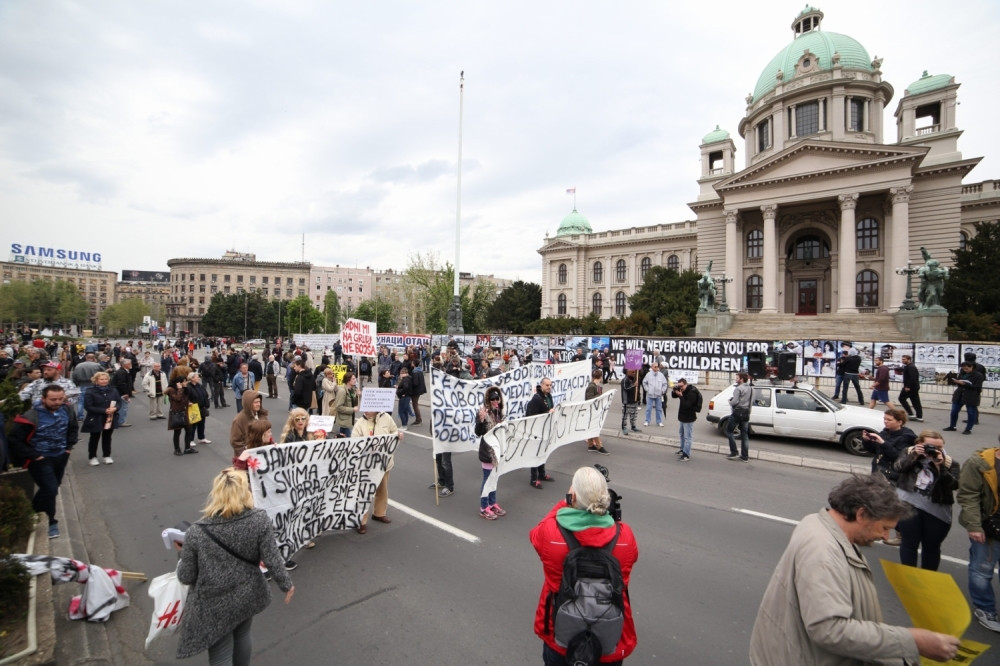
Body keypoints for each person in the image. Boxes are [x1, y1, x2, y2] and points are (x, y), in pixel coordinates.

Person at [749, 474, 959, 664]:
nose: (885, 537)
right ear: (861, 514)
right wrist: (913, 641)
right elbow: (829, 630)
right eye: (885, 528)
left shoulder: (818, 522)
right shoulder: (823, 554)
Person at [175, 468, 294, 664]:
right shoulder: (259, 519)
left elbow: (186, 576)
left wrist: (182, 551)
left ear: (216, 494)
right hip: (248, 594)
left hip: (214, 604)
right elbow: (272, 558)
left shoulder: (196, 532)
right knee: (242, 635)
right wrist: (286, 584)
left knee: (221, 650)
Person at [530, 466, 638, 665]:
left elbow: (535, 534)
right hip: (610, 640)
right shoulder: (625, 537)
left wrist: (563, 504)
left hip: (560, 635)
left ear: (572, 497)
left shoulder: (551, 533)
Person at [8, 385, 78, 539]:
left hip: (61, 455)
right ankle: (51, 520)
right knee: (51, 488)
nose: (57, 402)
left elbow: (73, 428)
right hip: (40, 459)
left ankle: (33, 512)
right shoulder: (30, 417)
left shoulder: (67, 410)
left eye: (60, 399)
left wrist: (68, 448)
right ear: (43, 399)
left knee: (52, 488)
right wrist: (34, 455)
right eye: (53, 399)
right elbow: (14, 440)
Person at [893, 430, 959, 571]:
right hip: (909, 505)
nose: (934, 450)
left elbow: (954, 485)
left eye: (939, 447)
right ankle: (908, 574)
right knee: (909, 543)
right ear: (919, 444)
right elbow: (898, 468)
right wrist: (915, 455)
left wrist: (939, 466)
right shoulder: (909, 453)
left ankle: (928, 576)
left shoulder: (949, 462)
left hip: (937, 509)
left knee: (932, 546)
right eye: (930, 446)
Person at [957, 442, 1000, 632]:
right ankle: (985, 608)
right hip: (989, 527)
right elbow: (968, 495)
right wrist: (974, 526)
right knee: (982, 570)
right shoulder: (978, 463)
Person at [352, 408, 402, 533]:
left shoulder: (386, 418)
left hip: (384, 463)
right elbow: (354, 443)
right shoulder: (360, 423)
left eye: (369, 408)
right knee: (364, 493)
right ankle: (361, 521)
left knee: (382, 489)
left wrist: (398, 435)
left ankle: (379, 513)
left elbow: (394, 432)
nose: (365, 410)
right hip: (366, 466)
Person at [475, 386, 507, 520]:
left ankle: (492, 503)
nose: (495, 401)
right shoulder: (484, 412)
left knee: (494, 478)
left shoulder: (500, 412)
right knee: (487, 478)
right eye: (492, 399)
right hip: (488, 451)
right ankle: (484, 507)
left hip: (498, 450)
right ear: (488, 400)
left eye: (497, 398)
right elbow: (478, 432)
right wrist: (481, 420)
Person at [81, 371, 121, 466]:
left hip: (109, 417)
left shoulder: (113, 390)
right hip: (96, 417)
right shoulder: (90, 391)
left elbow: (119, 402)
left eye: (105, 379)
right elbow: (88, 406)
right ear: (96, 380)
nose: (104, 381)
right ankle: (92, 457)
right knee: (95, 437)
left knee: (107, 437)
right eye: (101, 379)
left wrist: (115, 408)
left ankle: (107, 455)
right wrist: (104, 411)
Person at [527, 377, 556, 489]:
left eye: (550, 385)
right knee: (535, 454)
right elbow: (531, 416)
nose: (549, 387)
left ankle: (542, 474)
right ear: (542, 385)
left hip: (545, 430)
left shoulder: (548, 396)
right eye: (547, 385)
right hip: (536, 431)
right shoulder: (536, 398)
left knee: (542, 452)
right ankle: (534, 479)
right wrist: (547, 412)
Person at [230, 390, 267, 471]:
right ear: (248, 403)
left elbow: (267, 433)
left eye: (259, 402)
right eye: (255, 402)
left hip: (262, 455)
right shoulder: (239, 420)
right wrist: (247, 453)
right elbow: (235, 441)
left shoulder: (262, 415)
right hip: (248, 459)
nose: (258, 404)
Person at [945, 361, 984, 435]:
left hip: (971, 395)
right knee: (954, 411)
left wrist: (965, 384)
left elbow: (977, 387)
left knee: (971, 413)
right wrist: (956, 381)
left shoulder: (978, 375)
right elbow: (959, 382)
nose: (964, 369)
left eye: (966, 368)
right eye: (963, 368)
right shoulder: (962, 373)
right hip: (959, 394)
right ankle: (952, 426)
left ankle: (968, 429)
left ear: (971, 367)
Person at [671, 378, 700, 462]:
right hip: (682, 416)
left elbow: (687, 405)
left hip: (689, 417)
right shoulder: (682, 390)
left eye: (681, 386)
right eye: (679, 386)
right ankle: (682, 449)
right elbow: (673, 396)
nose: (680, 388)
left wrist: (681, 396)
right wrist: (674, 391)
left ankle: (686, 454)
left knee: (688, 437)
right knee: (681, 434)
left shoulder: (692, 392)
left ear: (685, 384)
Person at [166, 376, 197, 456]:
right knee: (177, 431)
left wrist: (188, 402)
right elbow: (178, 399)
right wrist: (180, 389)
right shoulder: (171, 390)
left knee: (188, 430)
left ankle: (187, 448)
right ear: (178, 383)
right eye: (184, 381)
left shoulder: (184, 389)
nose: (186, 383)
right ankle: (177, 449)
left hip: (185, 411)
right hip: (177, 412)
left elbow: (185, 398)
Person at [726, 372, 752, 462]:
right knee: (745, 435)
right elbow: (751, 402)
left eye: (737, 378)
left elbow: (734, 402)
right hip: (746, 413)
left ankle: (734, 452)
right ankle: (745, 456)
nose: (736, 379)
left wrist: (730, 401)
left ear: (741, 379)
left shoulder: (738, 389)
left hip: (737, 412)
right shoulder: (751, 388)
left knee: (729, 431)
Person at [584, 369, 609, 455]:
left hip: (592, 410)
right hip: (591, 411)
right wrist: (600, 395)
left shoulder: (593, 386)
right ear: (600, 377)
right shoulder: (592, 386)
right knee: (595, 428)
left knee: (592, 428)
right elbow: (589, 398)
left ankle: (591, 445)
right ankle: (599, 446)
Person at [187, 372, 212, 445]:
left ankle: (201, 438)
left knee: (202, 423)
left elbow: (205, 394)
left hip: (202, 407)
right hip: (194, 408)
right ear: (192, 379)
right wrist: (188, 402)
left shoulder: (200, 386)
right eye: (197, 377)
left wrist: (206, 402)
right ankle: (190, 440)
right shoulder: (189, 387)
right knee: (193, 424)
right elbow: (186, 397)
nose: (198, 378)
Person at [333, 372, 359, 437]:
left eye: (355, 378)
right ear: (348, 380)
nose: (355, 380)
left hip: (349, 420)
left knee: (344, 438)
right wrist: (352, 409)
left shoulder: (352, 390)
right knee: (348, 439)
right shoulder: (342, 391)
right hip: (344, 421)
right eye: (353, 379)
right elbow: (338, 407)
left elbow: (355, 403)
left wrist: (358, 396)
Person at [898, 354, 922, 422]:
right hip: (913, 386)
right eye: (902, 359)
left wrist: (908, 386)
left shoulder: (911, 367)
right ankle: (919, 416)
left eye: (904, 359)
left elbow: (912, 378)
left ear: (909, 360)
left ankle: (911, 414)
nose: (902, 360)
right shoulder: (908, 366)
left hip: (911, 387)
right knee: (915, 401)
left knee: (901, 398)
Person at [641, 362, 666, 427]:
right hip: (650, 395)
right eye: (655, 367)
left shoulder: (661, 375)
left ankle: (659, 421)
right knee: (648, 409)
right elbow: (644, 382)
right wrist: (647, 390)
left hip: (658, 395)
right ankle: (647, 421)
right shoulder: (648, 374)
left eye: (657, 366)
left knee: (659, 409)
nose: (657, 368)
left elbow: (665, 384)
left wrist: (662, 391)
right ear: (652, 367)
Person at [111, 358, 134, 427]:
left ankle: (118, 420)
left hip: (119, 392)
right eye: (129, 364)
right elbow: (122, 384)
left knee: (121, 407)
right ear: (125, 365)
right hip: (121, 393)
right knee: (123, 407)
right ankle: (121, 421)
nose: (131, 365)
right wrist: (126, 393)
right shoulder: (122, 372)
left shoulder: (122, 371)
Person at [620, 369, 641, 436]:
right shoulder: (625, 380)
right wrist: (634, 385)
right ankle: (624, 427)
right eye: (632, 372)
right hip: (627, 401)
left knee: (634, 414)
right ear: (628, 372)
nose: (634, 373)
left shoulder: (635, 379)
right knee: (625, 415)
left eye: (634, 372)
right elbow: (626, 388)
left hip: (634, 400)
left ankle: (633, 426)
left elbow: (637, 389)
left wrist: (638, 398)